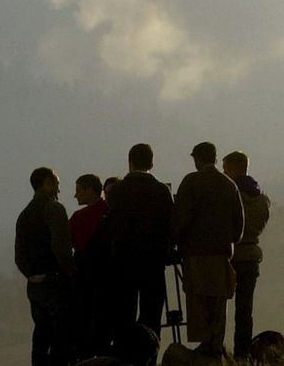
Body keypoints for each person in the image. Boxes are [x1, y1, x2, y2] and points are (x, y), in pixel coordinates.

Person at [172, 142, 244, 357]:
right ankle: (216, 344)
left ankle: (204, 345)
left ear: (197, 159)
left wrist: (176, 239)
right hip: (221, 254)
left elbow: (180, 220)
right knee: (218, 302)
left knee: (199, 300)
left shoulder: (191, 182)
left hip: (195, 254)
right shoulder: (229, 185)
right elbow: (238, 227)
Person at [108, 143, 173, 339]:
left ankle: (126, 356)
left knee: (124, 315)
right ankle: (149, 354)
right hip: (153, 262)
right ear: (151, 163)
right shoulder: (161, 191)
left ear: (130, 163)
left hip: (124, 262)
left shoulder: (117, 191)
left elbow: (112, 225)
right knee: (151, 316)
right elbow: (171, 225)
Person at [15, 167, 75, 366]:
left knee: (41, 334)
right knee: (61, 335)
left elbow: (19, 257)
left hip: (35, 285)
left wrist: (33, 275)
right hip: (55, 282)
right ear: (47, 183)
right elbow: (62, 249)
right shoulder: (54, 209)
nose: (59, 188)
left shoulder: (24, 215)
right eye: (57, 183)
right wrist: (70, 274)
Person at [222, 150, 271, 360]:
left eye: (225, 170)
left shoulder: (228, 195)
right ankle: (243, 353)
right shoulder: (261, 199)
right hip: (251, 256)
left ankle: (217, 349)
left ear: (233, 169)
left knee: (219, 307)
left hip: (229, 257)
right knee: (245, 309)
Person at [70, 174, 110, 358]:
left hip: (84, 278)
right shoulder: (110, 211)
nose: (75, 195)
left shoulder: (78, 218)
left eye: (78, 190)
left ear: (89, 190)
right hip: (108, 276)